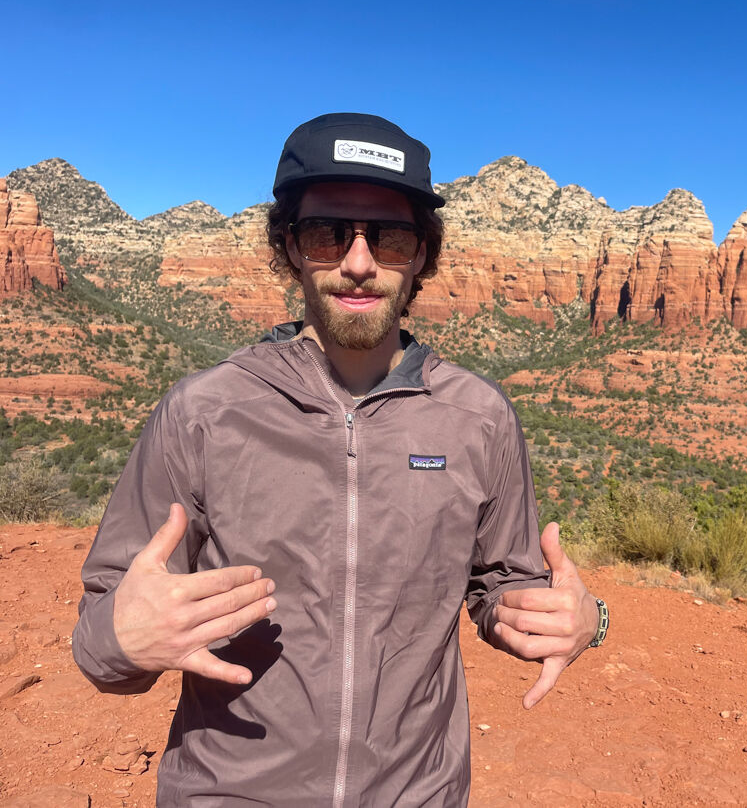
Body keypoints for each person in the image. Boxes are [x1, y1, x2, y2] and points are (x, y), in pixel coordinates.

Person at [72, 113, 608, 806]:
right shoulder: (204, 413)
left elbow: (505, 587)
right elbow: (100, 636)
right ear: (291, 246)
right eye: (330, 233)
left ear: (421, 255)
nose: (359, 262)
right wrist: (120, 636)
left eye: (388, 236)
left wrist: (579, 620)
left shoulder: (478, 418)